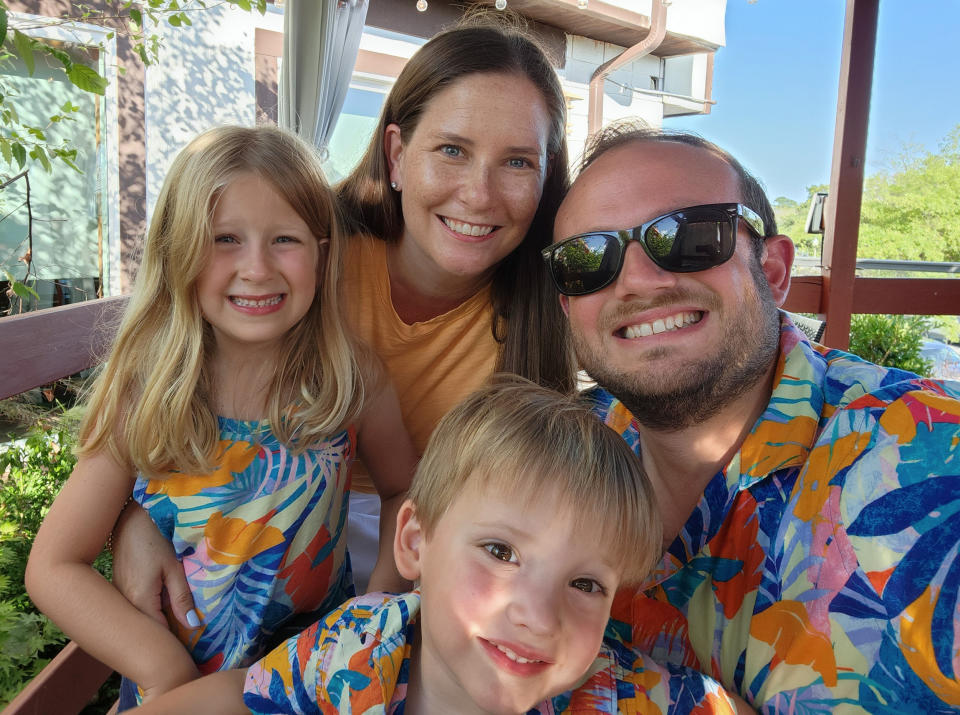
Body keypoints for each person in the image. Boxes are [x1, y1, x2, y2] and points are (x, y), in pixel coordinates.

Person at [110, 15, 576, 606]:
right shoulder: (296, 255)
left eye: (517, 162)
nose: (479, 194)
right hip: (252, 542)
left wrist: (373, 618)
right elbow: (163, 373)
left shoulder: (552, 302)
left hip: (418, 559)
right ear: (397, 154)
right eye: (452, 150)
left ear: (546, 177)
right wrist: (127, 519)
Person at [542, 120, 960, 711]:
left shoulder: (935, 461)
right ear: (568, 305)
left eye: (689, 236)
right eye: (588, 259)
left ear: (773, 271)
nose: (634, 281)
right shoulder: (553, 454)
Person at [24, 125, 415, 705]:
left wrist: (375, 608)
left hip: (307, 690)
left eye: (285, 239)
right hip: (180, 693)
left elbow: (403, 489)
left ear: (321, 252)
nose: (256, 268)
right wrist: (162, 670)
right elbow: (53, 565)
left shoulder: (350, 379)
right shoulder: (148, 389)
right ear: (177, 251)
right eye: (224, 239)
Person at [134, 378, 746, 714]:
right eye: (501, 552)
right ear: (415, 543)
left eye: (586, 584)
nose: (537, 614)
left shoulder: (625, 698)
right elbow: (244, 696)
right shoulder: (362, 645)